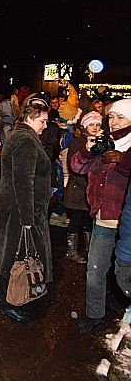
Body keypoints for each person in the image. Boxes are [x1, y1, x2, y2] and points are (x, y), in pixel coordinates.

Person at [0, 98, 53, 324]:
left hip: (13, 206)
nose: (45, 125)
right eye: (42, 121)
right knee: (15, 256)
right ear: (30, 117)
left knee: (10, 254)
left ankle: (11, 299)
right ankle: (10, 302)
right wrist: (27, 219)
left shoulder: (20, 136)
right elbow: (24, 182)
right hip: (18, 209)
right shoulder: (25, 140)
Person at [72, 99, 131, 333]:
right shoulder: (105, 141)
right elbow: (77, 168)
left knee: (123, 271)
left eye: (121, 117)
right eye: (112, 117)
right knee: (95, 269)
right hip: (103, 218)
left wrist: (122, 160)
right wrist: (88, 150)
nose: (114, 122)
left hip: (126, 221)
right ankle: (94, 313)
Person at [63, 111, 102, 263]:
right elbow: (74, 168)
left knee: (88, 223)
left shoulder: (101, 142)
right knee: (76, 222)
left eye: (97, 124)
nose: (95, 127)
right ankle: (71, 251)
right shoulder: (77, 143)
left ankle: (90, 251)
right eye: (91, 124)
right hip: (78, 190)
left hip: (91, 190)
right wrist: (88, 184)